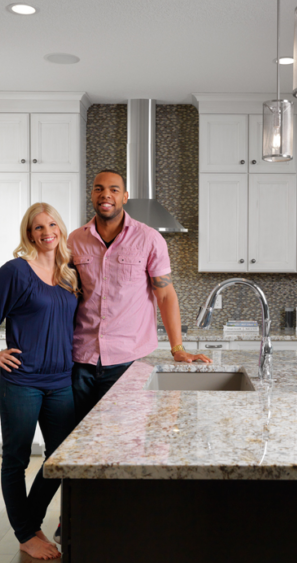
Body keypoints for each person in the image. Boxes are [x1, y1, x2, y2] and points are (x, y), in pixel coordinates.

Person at [0, 202, 79, 561]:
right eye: (37, 228)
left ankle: (30, 522)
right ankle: (26, 534)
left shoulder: (68, 273)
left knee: (61, 459)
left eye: (51, 225)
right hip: (22, 381)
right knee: (16, 459)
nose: (46, 232)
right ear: (29, 234)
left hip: (61, 381)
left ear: (60, 228)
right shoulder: (17, 271)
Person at [68, 168, 211, 424]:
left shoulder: (149, 239)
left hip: (127, 361)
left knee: (124, 438)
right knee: (79, 441)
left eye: (113, 189)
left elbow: (165, 295)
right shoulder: (74, 240)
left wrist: (177, 348)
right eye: (99, 188)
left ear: (125, 197)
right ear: (91, 195)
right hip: (81, 359)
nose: (105, 195)